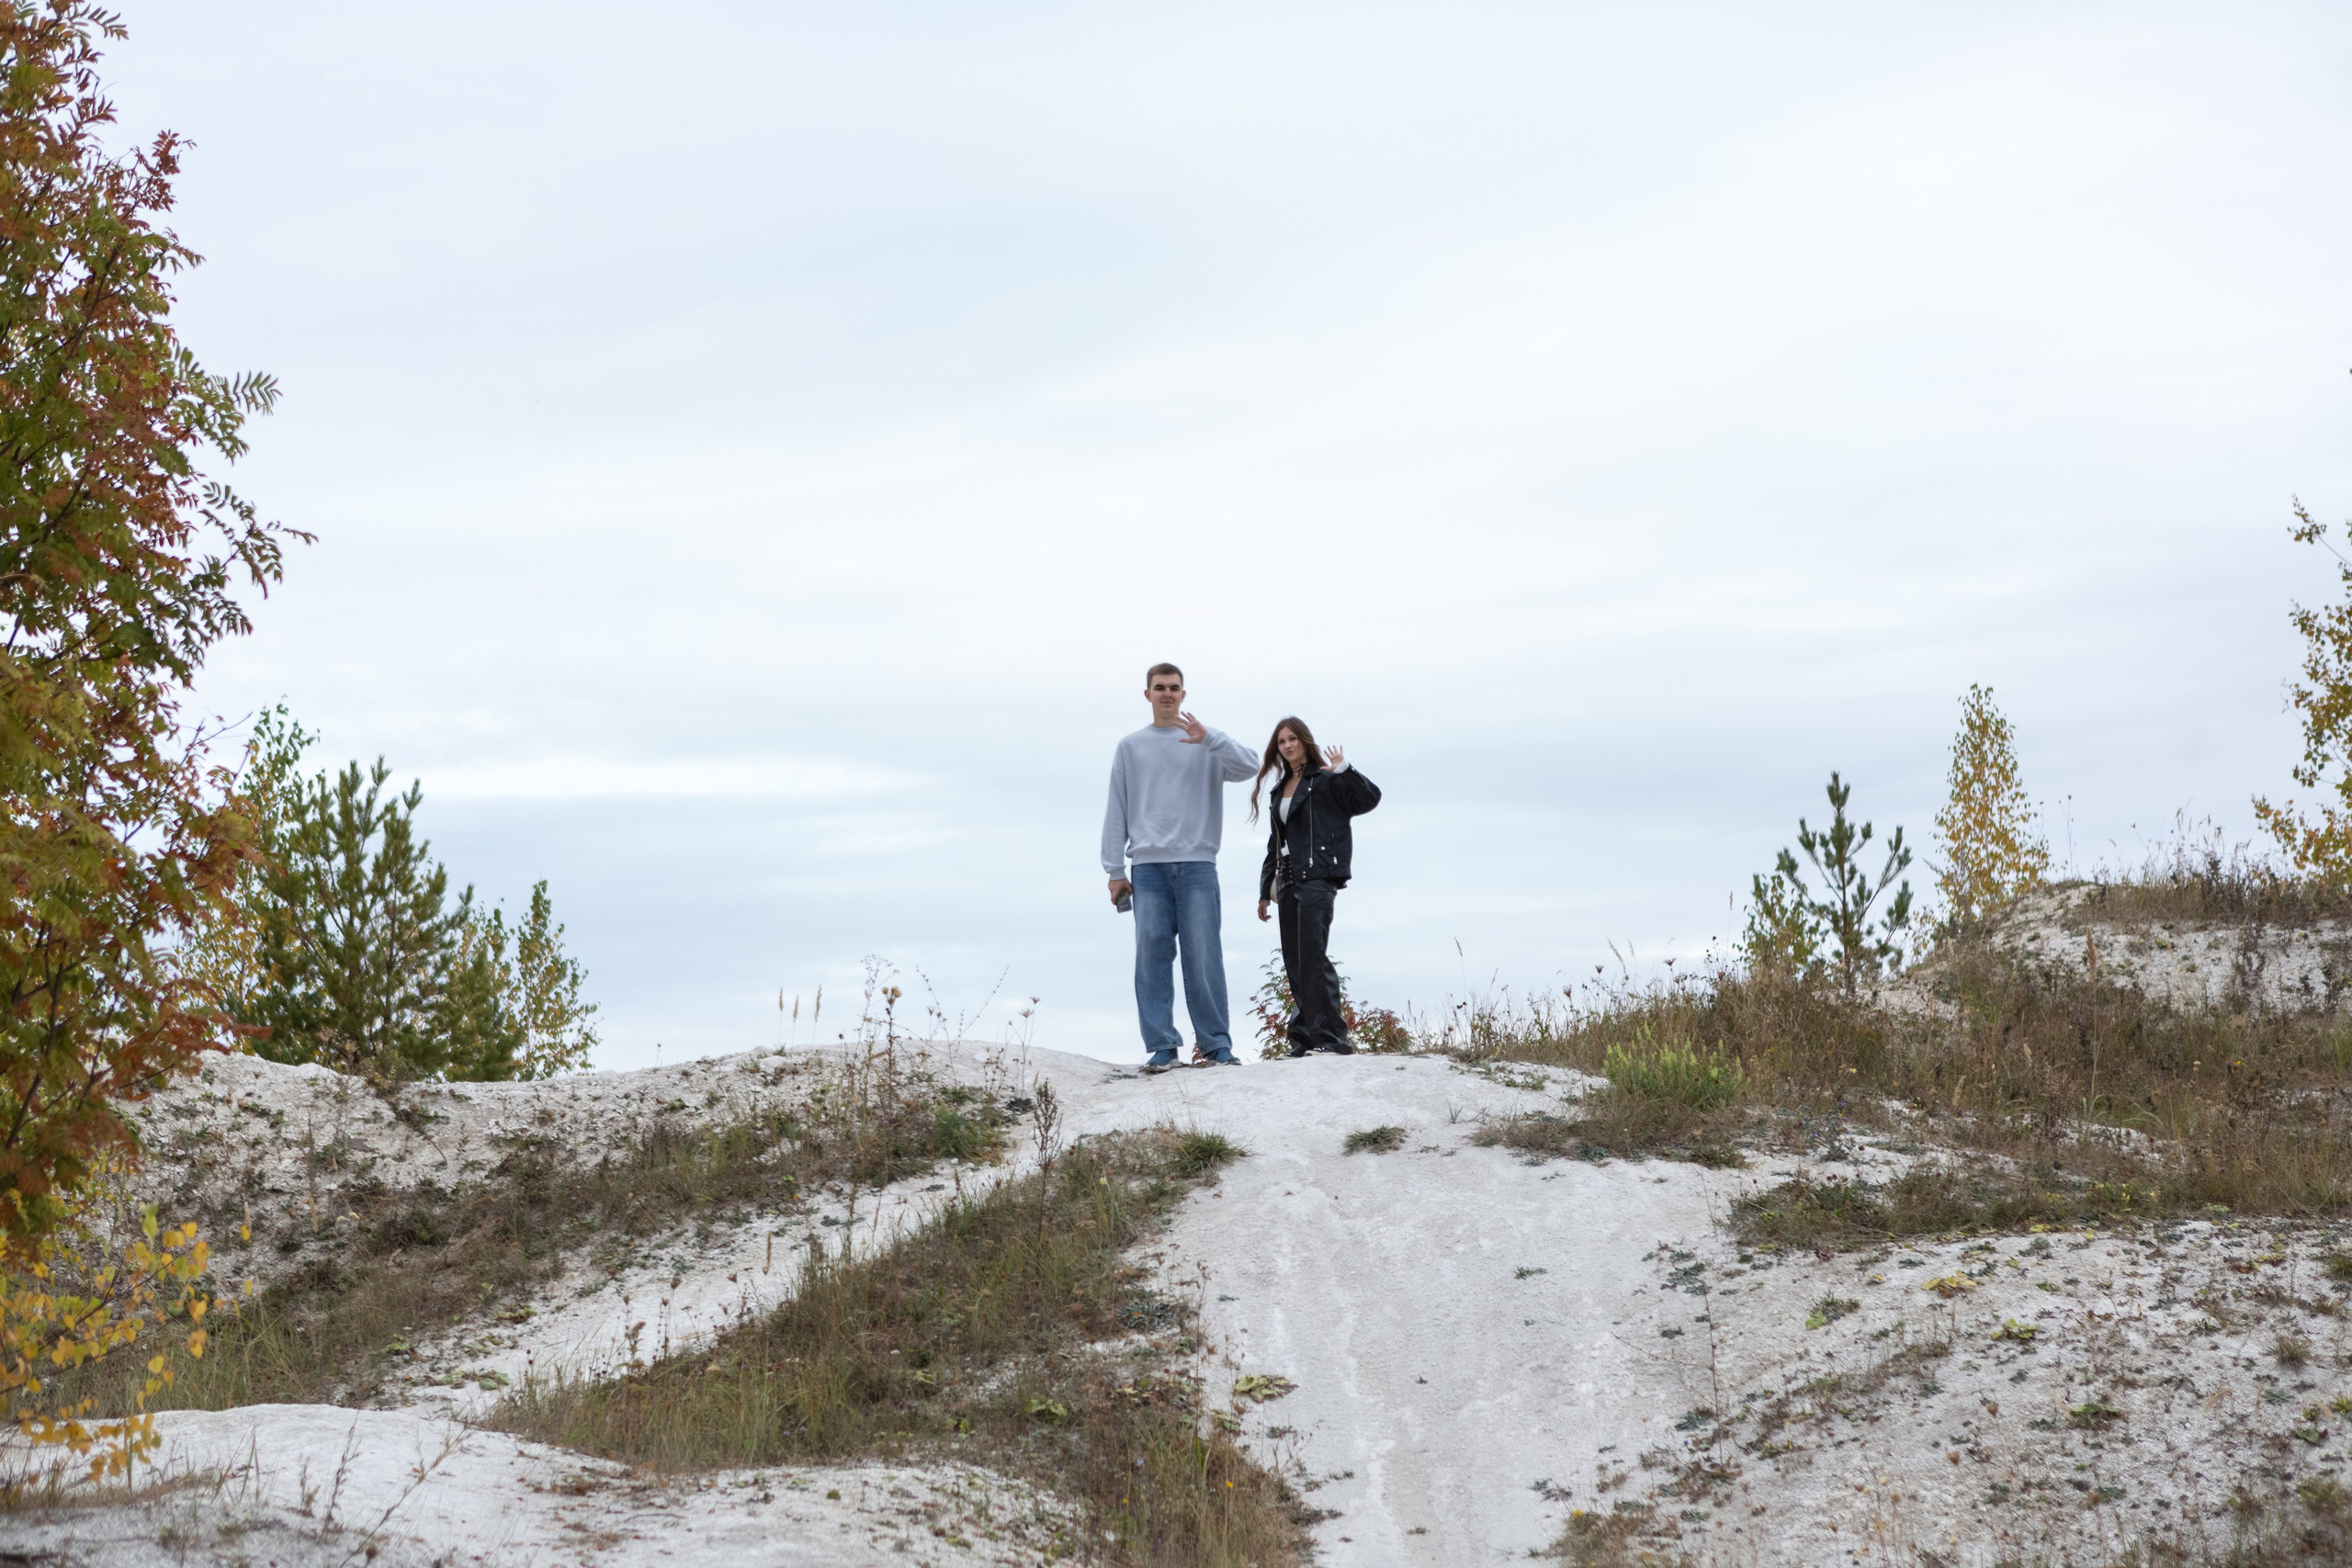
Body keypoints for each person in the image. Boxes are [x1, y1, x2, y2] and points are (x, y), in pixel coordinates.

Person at [1102, 663, 1260, 1072]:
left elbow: (1251, 766)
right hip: (1148, 868)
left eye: (1174, 688)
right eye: (1160, 688)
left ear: (1184, 695)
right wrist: (1114, 869)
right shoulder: (1130, 746)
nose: (1167, 694)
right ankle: (1162, 1046)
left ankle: (1216, 1046)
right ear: (1148, 694)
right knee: (1150, 957)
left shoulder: (1207, 742)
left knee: (1204, 956)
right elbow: (1117, 808)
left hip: (1198, 865)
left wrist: (1211, 739)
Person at [1251, 716, 1380, 1057]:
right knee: (1294, 960)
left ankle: (1332, 1038)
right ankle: (1304, 1037)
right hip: (1287, 876)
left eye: (1292, 739)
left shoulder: (1325, 779)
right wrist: (1265, 890)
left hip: (1318, 875)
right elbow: (1275, 842)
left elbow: (1369, 799)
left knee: (1312, 955)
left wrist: (1345, 770)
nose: (1287, 746)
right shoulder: (1280, 789)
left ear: (1305, 740)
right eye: (1282, 741)